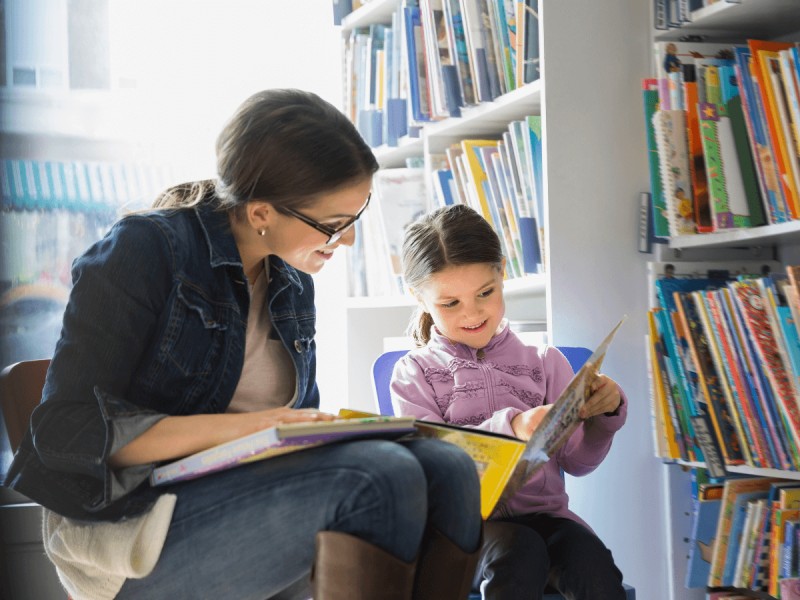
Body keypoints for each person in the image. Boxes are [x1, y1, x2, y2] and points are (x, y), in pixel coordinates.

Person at [4, 89, 482, 600]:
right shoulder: (145, 249)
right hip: (128, 525)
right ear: (260, 213)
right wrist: (254, 427)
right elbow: (64, 430)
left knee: (450, 468)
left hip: (240, 494)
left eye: (356, 216)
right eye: (334, 225)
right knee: (378, 478)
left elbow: (296, 432)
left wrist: (326, 432)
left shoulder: (293, 281)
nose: (347, 241)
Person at [391, 204, 628, 600]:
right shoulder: (413, 373)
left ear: (502, 272)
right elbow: (430, 469)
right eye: (451, 303)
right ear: (419, 297)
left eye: (485, 292)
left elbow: (578, 462)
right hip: (460, 533)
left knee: (593, 562)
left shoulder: (545, 362)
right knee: (520, 551)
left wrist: (603, 417)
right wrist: (512, 428)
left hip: (547, 520)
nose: (472, 313)